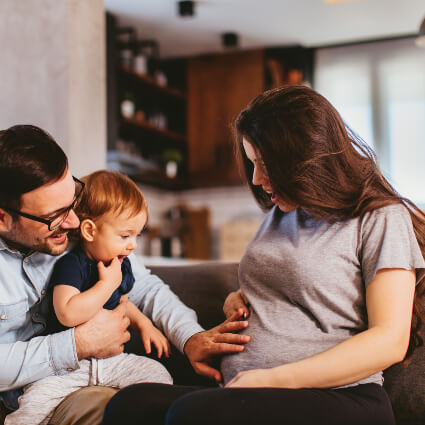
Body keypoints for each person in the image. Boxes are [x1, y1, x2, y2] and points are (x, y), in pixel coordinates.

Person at [102, 85, 425, 425]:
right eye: (253, 163)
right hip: (251, 392)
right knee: (130, 405)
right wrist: (237, 298)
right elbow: (295, 289)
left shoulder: (381, 217)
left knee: (192, 414)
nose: (256, 178)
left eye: (266, 164)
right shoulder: (282, 213)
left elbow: (390, 340)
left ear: (306, 158)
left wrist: (273, 379)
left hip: (341, 396)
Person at [0, 125, 249, 425]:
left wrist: (190, 338)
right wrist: (78, 343)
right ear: (3, 218)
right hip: (29, 394)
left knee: (142, 402)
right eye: (55, 217)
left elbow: (146, 288)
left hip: (89, 377)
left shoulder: (77, 238)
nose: (75, 221)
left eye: (74, 201)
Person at [5, 170, 176, 425]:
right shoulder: (72, 265)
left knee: (159, 377)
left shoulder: (121, 265)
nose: (133, 246)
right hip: (66, 370)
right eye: (125, 236)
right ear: (89, 231)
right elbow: (67, 312)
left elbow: (122, 305)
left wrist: (145, 325)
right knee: (33, 407)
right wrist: (106, 285)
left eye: (136, 236)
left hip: (112, 361)